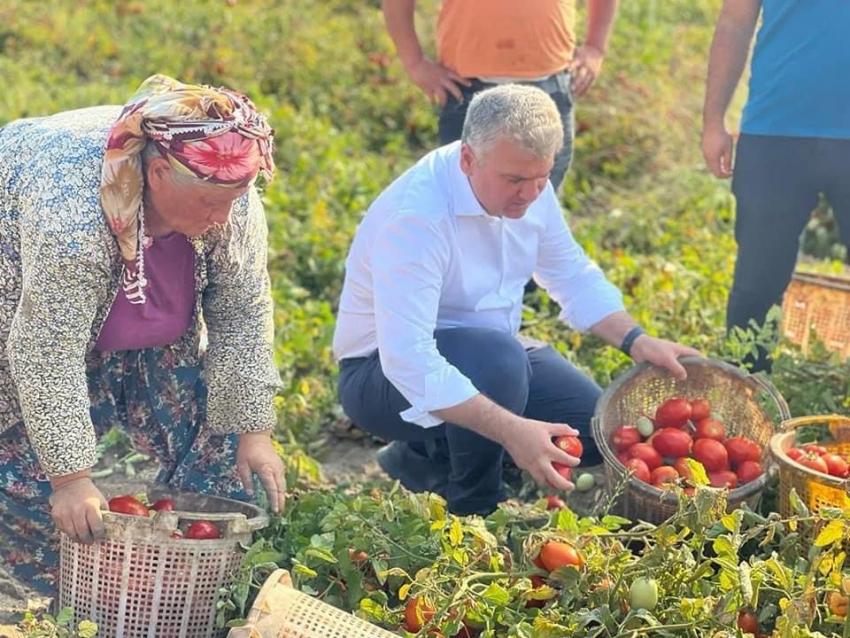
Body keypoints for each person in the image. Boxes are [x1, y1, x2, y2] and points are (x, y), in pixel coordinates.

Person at [333, 85, 697, 516]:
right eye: (515, 181)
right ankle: (474, 505)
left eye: (542, 178)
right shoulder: (416, 218)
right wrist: (511, 430)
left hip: (489, 353)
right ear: (468, 159)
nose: (530, 193)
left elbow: (570, 273)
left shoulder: (528, 184)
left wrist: (636, 340)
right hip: (379, 375)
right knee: (498, 362)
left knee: (591, 429)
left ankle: (423, 457)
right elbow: (408, 359)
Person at [0, 74, 285, 594]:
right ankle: (71, 592)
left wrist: (254, 432)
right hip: (33, 317)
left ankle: (192, 573)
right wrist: (70, 479)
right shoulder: (72, 218)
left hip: (151, 324)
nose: (222, 217)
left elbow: (242, 312)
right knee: (42, 492)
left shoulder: (226, 192)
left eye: (235, 200)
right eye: (209, 204)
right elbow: (45, 351)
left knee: (219, 435)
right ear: (157, 173)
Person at [702, 0, 850, 371]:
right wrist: (713, 122)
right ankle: (748, 388)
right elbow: (734, 23)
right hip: (774, 131)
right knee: (756, 283)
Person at [382, 0, 619, 191]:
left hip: (549, 87)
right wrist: (415, 63)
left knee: (537, 214)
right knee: (466, 209)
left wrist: (595, 47)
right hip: (466, 89)